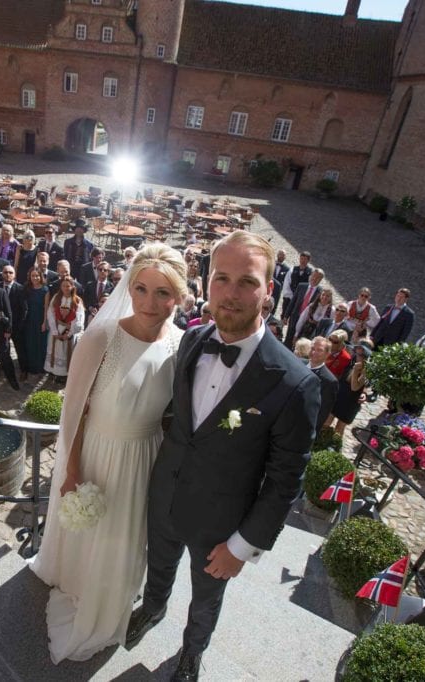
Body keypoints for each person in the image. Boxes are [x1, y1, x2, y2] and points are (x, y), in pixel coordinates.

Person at [127, 232, 320, 681]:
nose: (231, 293)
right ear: (207, 282)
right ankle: (152, 608)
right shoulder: (192, 340)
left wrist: (243, 545)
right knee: (159, 566)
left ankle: (192, 652)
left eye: (247, 282)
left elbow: (286, 480)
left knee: (206, 598)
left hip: (221, 524)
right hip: (166, 494)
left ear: (269, 290)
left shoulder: (295, 383)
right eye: (222, 278)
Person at [31, 244, 188, 664]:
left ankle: (112, 594)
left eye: (162, 292)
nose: (149, 303)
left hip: (146, 458)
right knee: (92, 532)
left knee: (126, 537)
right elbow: (75, 411)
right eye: (140, 289)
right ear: (128, 287)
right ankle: (82, 583)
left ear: (179, 296)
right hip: (98, 451)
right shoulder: (102, 337)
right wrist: (71, 470)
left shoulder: (182, 345)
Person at [326, 339, 373, 435]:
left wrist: (356, 370)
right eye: (358, 348)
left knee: (339, 430)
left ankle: (333, 444)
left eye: (361, 350)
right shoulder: (351, 359)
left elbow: (355, 387)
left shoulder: (367, 369)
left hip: (351, 402)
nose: (358, 351)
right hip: (339, 395)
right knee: (326, 423)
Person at [44, 276, 84, 382]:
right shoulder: (56, 298)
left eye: (68, 286)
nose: (66, 288)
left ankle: (65, 375)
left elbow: (79, 318)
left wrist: (69, 333)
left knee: (67, 352)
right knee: (55, 350)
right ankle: (54, 371)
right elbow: (50, 313)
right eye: (63, 286)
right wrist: (54, 331)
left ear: (72, 286)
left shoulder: (77, 300)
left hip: (69, 330)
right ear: (60, 287)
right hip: (57, 329)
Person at [282, 267, 323, 349]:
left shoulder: (321, 292)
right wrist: (286, 316)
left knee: (300, 343)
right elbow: (293, 302)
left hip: (307, 322)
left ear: (320, 280)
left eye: (317, 277)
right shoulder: (301, 286)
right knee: (288, 339)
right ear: (311, 275)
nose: (314, 279)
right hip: (294, 317)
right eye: (313, 276)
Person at [22, 268, 49, 375]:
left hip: (40, 318)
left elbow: (46, 308)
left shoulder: (45, 290)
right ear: (30, 277)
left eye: (37, 276)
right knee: (30, 342)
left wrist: (44, 322)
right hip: (29, 319)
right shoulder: (27, 288)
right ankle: (31, 366)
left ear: (41, 277)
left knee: (40, 343)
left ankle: (40, 366)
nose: (35, 278)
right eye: (33, 276)